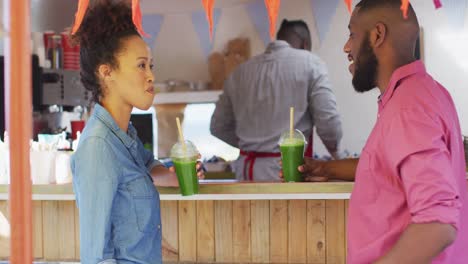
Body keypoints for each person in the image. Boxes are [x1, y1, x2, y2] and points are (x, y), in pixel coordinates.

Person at [295, 1, 468, 263]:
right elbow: (390, 167)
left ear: (377, 35)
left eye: (352, 34)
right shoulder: (427, 92)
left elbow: (438, 223)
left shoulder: (407, 109)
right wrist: (326, 169)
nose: (346, 47)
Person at [70, 1, 203, 263]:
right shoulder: (98, 146)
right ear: (107, 73)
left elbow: (146, 166)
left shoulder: (124, 135)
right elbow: (96, 256)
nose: (151, 76)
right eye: (141, 66)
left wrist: (170, 175)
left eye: (151, 66)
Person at [210, 19, 343, 182]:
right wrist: (337, 156)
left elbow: (217, 126)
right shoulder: (311, 63)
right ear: (305, 44)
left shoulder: (239, 72)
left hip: (245, 172)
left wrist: (252, 146)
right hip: (288, 171)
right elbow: (328, 124)